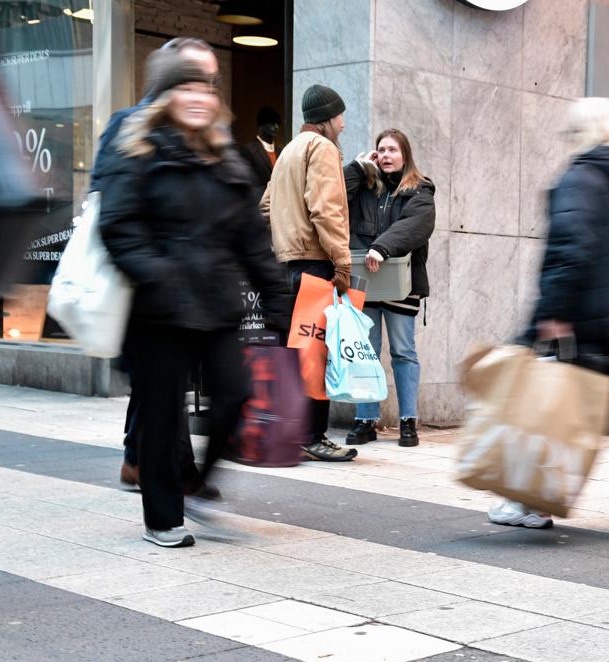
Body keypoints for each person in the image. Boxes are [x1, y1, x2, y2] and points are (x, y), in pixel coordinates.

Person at [98, 48, 290, 547]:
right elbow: (118, 228)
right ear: (164, 96)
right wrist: (159, 274)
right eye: (185, 87)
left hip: (218, 305)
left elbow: (250, 236)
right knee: (162, 417)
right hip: (158, 309)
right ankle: (162, 518)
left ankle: (199, 487)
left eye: (204, 88)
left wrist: (275, 295)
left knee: (235, 395)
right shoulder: (136, 151)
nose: (198, 97)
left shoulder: (223, 156)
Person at [488, 98, 609, 539]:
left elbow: (568, 253)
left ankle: (529, 501)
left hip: (588, 321)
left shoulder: (578, 179)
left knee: (551, 408)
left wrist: (550, 314)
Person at [90, 37, 220, 498]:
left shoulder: (203, 133)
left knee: (165, 381)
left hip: (187, 282)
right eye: (192, 77)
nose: (202, 90)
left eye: (208, 81)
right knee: (161, 379)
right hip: (147, 279)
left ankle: (138, 457)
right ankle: (164, 468)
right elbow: (103, 195)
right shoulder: (129, 123)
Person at [260, 84, 357, 462]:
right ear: (328, 118)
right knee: (316, 352)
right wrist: (343, 262)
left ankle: (291, 431)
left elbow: (265, 207)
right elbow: (326, 209)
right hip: (315, 265)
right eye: (340, 117)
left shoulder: (287, 152)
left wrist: (282, 240)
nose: (344, 124)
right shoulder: (322, 148)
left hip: (286, 266)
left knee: (293, 353)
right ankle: (313, 436)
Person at [342, 129, 436, 447]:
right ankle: (365, 420)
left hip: (401, 284)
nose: (385, 155)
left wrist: (381, 247)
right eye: (381, 150)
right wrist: (357, 168)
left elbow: (414, 225)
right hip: (365, 283)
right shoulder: (366, 186)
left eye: (392, 150)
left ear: (405, 155)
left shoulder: (420, 190)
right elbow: (334, 196)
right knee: (364, 352)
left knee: (403, 352)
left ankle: (408, 421)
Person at [241, 106, 281, 196]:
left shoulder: (281, 152)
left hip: (278, 203)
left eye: (278, 124)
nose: (276, 127)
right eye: (271, 123)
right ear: (261, 125)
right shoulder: (248, 150)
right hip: (258, 204)